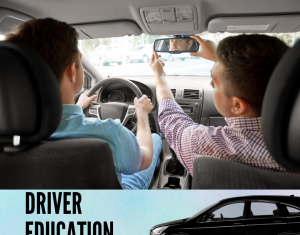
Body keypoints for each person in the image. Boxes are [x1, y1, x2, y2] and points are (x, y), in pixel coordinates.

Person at [5, 18, 162, 189]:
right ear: (72, 71)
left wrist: (77, 107)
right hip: (114, 210)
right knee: (153, 140)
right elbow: (144, 159)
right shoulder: (109, 134)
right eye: (80, 61)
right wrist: (142, 114)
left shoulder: (8, 141)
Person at [150, 34, 295, 175]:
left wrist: (159, 76)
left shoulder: (207, 144)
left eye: (216, 83)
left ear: (237, 106)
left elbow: (170, 118)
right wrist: (218, 59)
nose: (210, 83)